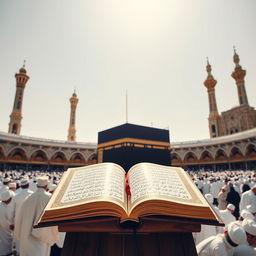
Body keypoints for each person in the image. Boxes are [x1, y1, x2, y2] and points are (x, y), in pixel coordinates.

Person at [14, 176, 59, 256]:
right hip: (43, 237)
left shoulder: (28, 198)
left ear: (37, 186)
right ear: (46, 186)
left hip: (27, 235)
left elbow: (20, 217)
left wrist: (18, 232)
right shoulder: (50, 198)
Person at [13, 178, 34, 255]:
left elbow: (13, 210)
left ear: (21, 186)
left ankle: (19, 252)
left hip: (18, 220)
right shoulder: (33, 194)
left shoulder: (16, 196)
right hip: (30, 220)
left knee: (19, 237)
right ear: (28, 185)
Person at [0, 190, 15, 256]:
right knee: (5, 242)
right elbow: (4, 222)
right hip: (4, 228)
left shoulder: (3, 205)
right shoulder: (2, 207)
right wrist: (11, 226)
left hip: (4, 227)